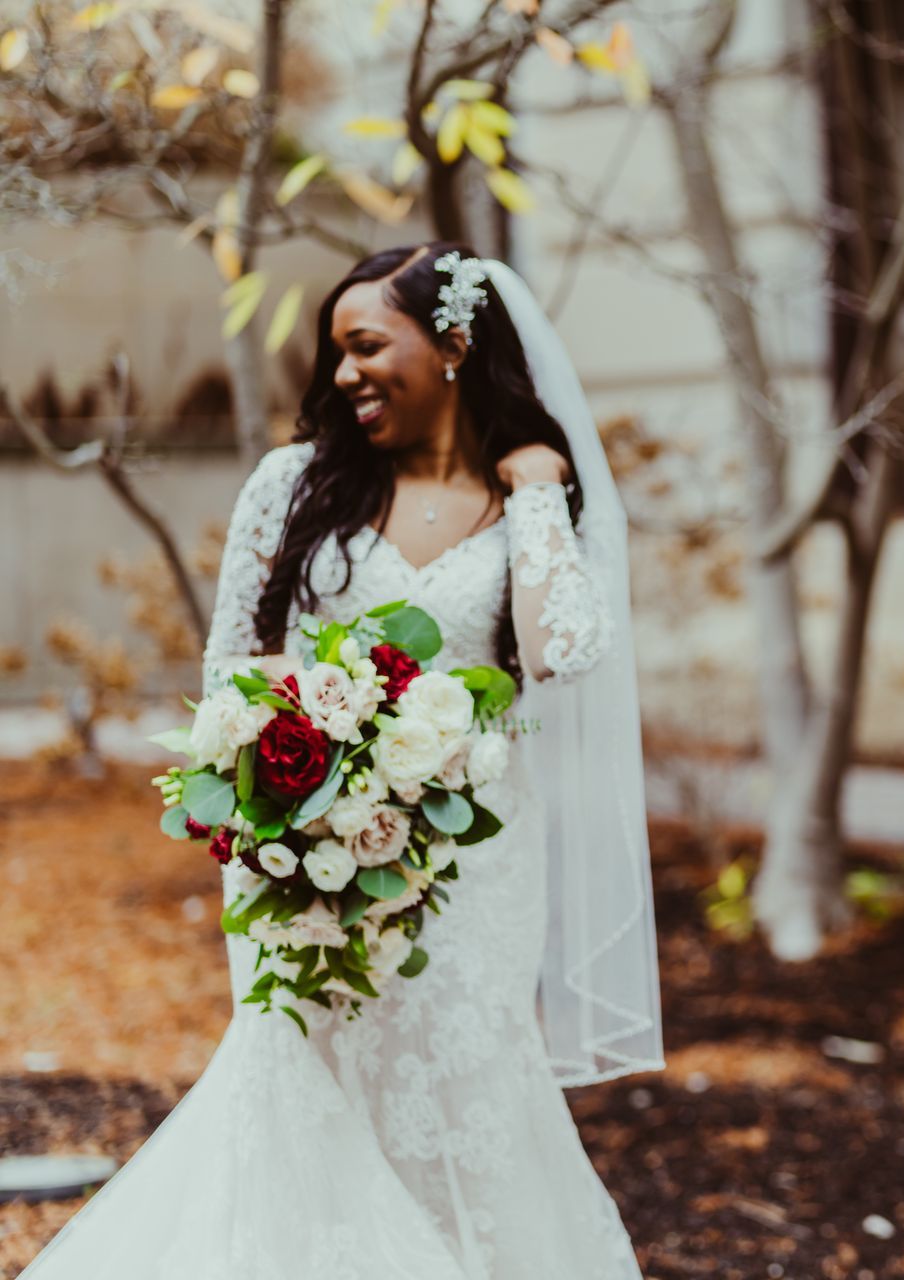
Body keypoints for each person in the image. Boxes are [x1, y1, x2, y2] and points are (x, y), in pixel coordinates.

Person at [21, 243, 664, 1279]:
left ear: (454, 343)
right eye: (338, 354)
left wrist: (541, 487)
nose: (346, 374)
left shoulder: (527, 501)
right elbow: (234, 671)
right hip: (309, 852)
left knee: (464, 1084)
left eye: (368, 346)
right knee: (307, 1084)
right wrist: (284, 817)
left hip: (475, 864)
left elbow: (563, 653)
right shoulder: (295, 484)